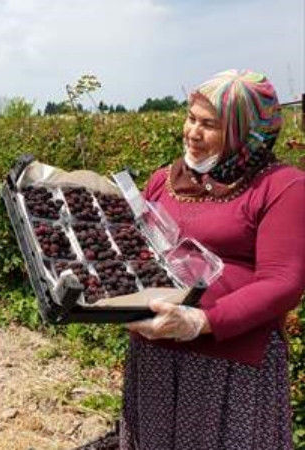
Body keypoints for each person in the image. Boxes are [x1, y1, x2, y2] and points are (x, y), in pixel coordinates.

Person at [122, 70, 305, 449]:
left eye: (210, 125)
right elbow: (137, 246)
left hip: (227, 364)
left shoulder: (281, 187)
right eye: (191, 117)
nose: (192, 132)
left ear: (245, 133)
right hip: (157, 354)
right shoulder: (165, 180)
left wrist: (202, 320)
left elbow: (283, 281)